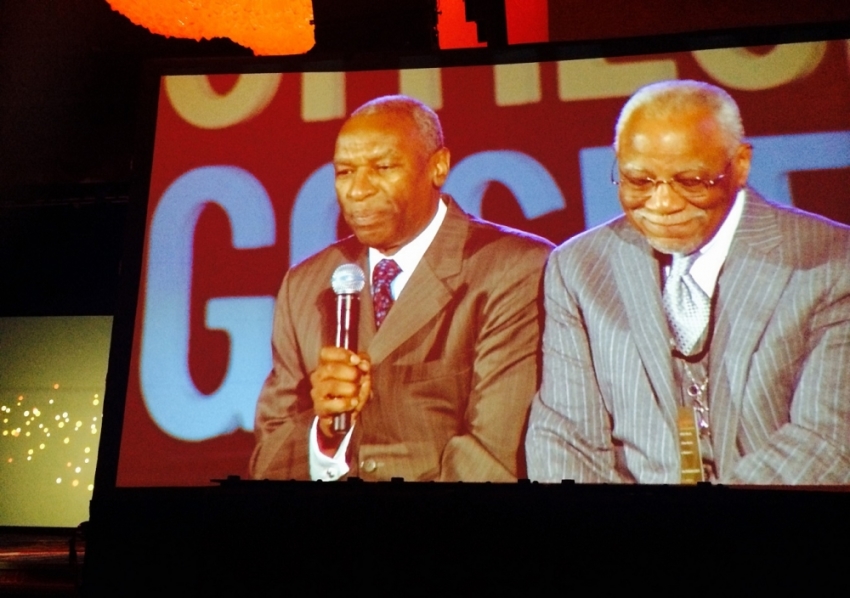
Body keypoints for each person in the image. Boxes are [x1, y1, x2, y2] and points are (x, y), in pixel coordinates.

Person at [526, 80, 850, 485]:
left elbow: (828, 440)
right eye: (639, 181)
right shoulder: (578, 267)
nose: (662, 203)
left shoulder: (833, 261)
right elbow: (566, 439)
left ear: (741, 164)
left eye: (692, 181)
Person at [251, 95, 553, 482]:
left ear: (438, 166)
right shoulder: (306, 285)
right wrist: (324, 436)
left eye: (383, 167)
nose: (358, 190)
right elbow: (266, 461)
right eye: (344, 172)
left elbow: (495, 458)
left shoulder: (512, 268)